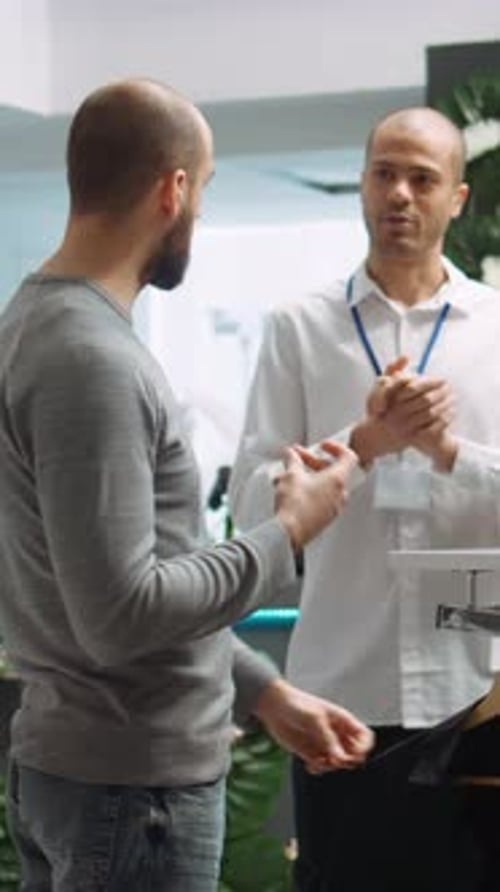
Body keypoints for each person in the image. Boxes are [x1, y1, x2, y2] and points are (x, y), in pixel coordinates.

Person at [0, 79, 373, 892]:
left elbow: (113, 584)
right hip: (133, 799)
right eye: (202, 190)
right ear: (172, 189)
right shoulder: (89, 360)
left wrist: (264, 692)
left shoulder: (46, 328)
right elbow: (121, 614)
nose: (198, 213)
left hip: (101, 783)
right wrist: (289, 531)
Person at [229, 106, 500, 890]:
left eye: (423, 178)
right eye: (385, 172)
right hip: (341, 695)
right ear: (361, 184)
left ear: (459, 198)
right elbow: (251, 510)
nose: (401, 194)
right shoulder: (299, 329)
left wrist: (447, 452)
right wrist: (362, 445)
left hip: (477, 694)